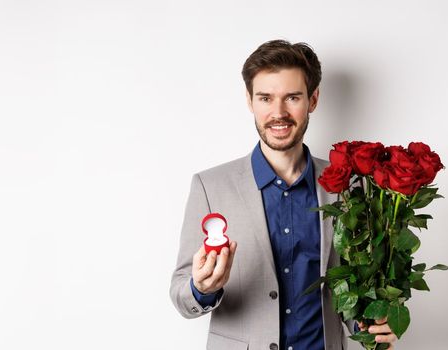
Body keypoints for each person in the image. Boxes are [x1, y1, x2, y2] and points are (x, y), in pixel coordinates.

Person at [169, 40, 398, 350]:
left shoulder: (347, 185)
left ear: (313, 99)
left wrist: (369, 323)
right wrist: (201, 288)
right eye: (265, 98)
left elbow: (351, 287)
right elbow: (182, 296)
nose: (278, 113)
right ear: (250, 100)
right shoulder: (210, 186)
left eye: (292, 97)